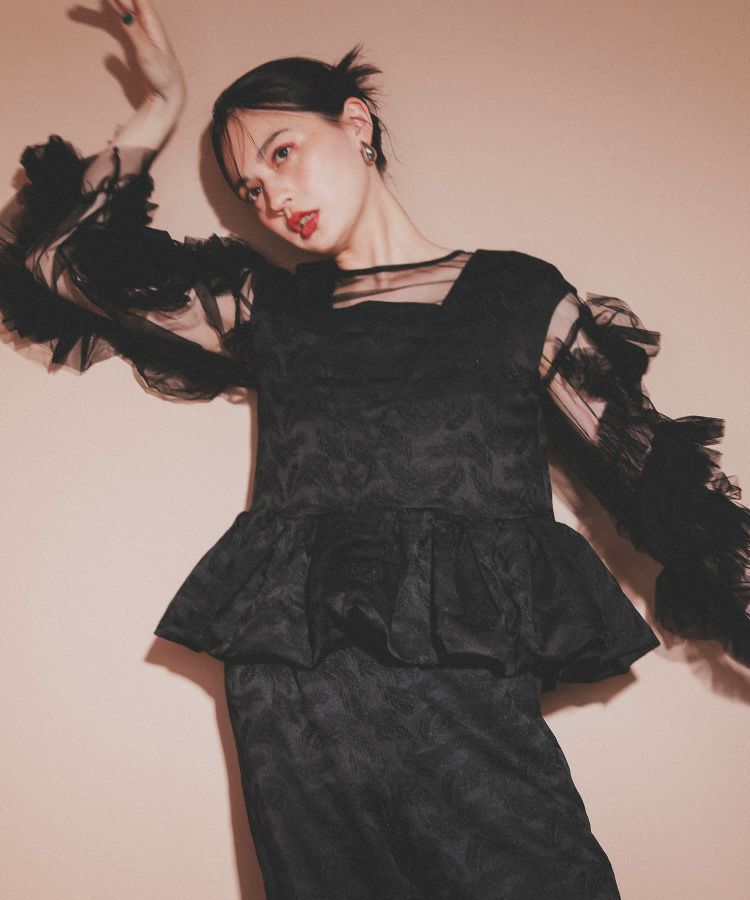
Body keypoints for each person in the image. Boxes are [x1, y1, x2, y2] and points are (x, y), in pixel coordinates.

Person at [1, 1, 747, 897]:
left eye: (281, 153)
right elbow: (56, 258)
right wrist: (160, 104)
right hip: (295, 723)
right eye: (250, 189)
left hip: (467, 717)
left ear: (355, 124)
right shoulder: (268, 310)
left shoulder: (516, 298)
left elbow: (652, 477)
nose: (273, 198)